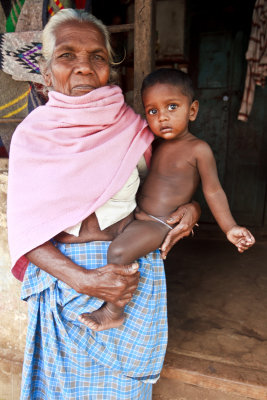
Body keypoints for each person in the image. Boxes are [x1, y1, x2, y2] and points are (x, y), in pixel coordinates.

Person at [7, 11, 201, 400]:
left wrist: (191, 209)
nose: (83, 66)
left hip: (132, 279)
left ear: (109, 71)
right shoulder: (30, 138)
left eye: (97, 56)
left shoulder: (133, 127)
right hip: (67, 282)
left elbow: (167, 186)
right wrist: (85, 281)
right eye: (66, 55)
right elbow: (25, 232)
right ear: (46, 74)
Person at [79, 68, 255, 332]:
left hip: (158, 223)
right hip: (136, 214)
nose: (162, 117)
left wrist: (230, 228)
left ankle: (114, 311)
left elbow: (213, 191)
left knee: (117, 251)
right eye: (153, 111)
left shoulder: (198, 149)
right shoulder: (152, 143)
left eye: (172, 106)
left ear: (192, 110)